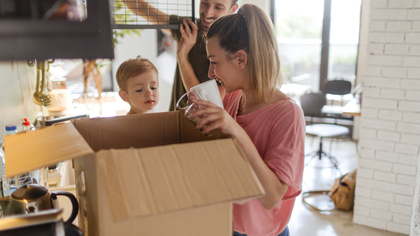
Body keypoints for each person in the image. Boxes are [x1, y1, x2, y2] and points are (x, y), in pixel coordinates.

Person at [189, 4, 305, 236]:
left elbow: (271, 198)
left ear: (240, 59)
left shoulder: (288, 115)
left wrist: (235, 130)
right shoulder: (233, 98)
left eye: (214, 61)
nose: (211, 73)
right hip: (226, 224)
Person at [125, 0, 239, 110]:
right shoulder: (190, 28)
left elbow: (207, 102)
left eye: (218, 7)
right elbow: (139, 7)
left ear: (232, 9)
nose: (208, 13)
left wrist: (182, 57)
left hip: (201, 125)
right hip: (176, 119)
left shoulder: (233, 46)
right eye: (204, 3)